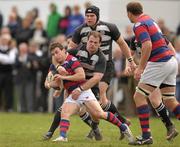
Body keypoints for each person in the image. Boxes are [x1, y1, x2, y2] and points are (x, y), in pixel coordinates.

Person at [43, 31, 127, 140]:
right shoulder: (73, 52)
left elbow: (90, 77)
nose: (92, 44)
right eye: (90, 41)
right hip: (75, 85)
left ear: (99, 44)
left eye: (95, 42)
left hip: (90, 84)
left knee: (98, 111)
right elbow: (55, 57)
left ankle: (120, 124)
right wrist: (57, 74)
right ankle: (57, 134)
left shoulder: (100, 57)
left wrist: (64, 82)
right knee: (69, 110)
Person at [69, 5, 136, 136]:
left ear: (97, 16)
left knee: (100, 97)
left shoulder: (110, 27)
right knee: (101, 102)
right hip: (89, 68)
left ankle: (96, 129)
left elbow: (122, 44)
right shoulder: (79, 30)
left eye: (92, 16)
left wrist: (130, 60)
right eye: (87, 16)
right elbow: (71, 48)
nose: (89, 18)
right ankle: (120, 122)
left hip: (106, 66)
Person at [126, 2, 179, 145]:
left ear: (129, 13)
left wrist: (140, 68)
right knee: (169, 100)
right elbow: (165, 41)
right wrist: (174, 59)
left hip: (159, 62)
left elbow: (147, 45)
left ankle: (146, 136)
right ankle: (169, 126)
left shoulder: (138, 25)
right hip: (169, 61)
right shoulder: (150, 20)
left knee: (138, 96)